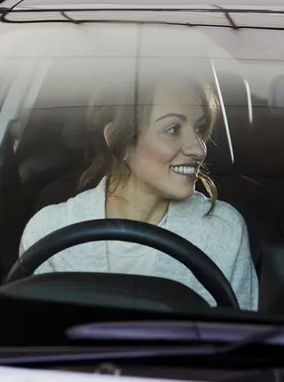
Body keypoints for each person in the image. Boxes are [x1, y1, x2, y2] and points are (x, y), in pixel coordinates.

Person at [19, 71, 259, 311]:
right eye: (173, 129)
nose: (199, 149)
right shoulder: (47, 233)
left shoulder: (222, 229)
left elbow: (241, 340)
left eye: (199, 128)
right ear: (118, 140)